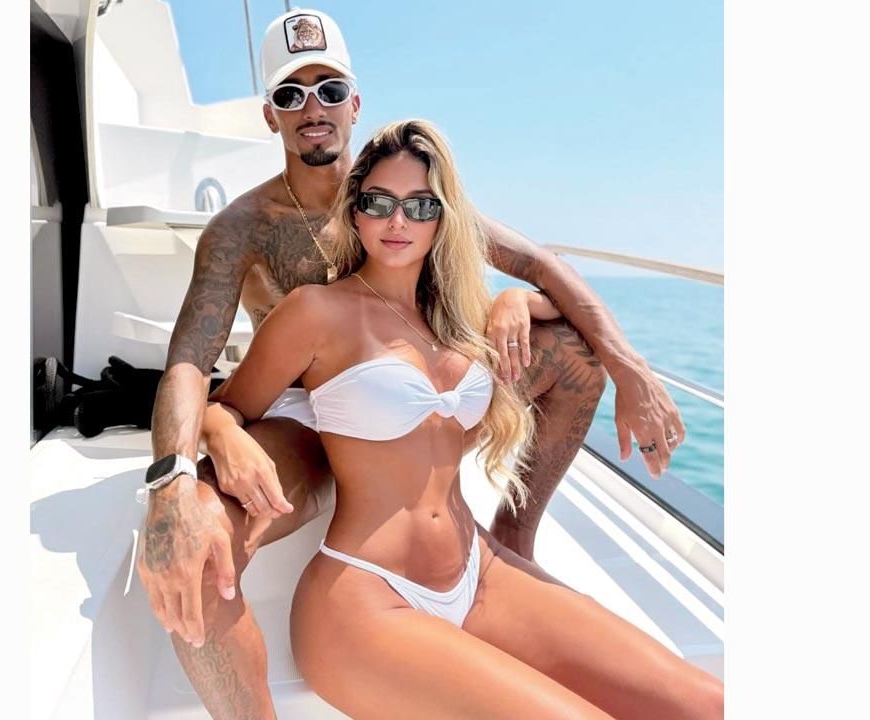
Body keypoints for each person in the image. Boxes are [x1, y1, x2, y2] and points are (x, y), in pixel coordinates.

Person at [136, 8, 687, 718]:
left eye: (330, 90)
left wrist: (620, 362)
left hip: (414, 386)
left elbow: (541, 265)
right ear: (269, 115)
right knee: (198, 535)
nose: (313, 108)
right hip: (300, 414)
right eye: (291, 94)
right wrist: (175, 477)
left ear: (354, 103)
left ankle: (513, 539)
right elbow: (189, 359)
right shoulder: (243, 228)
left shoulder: (403, 192)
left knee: (577, 356)